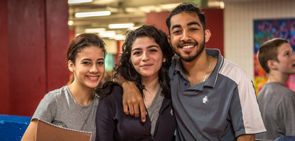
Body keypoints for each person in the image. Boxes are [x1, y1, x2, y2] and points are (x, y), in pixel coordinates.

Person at [119, 3, 266, 141]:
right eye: (177, 31)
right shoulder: (168, 69)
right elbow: (126, 68)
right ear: (170, 40)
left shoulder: (236, 77)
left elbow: (247, 137)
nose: (185, 37)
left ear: (206, 34)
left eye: (193, 29)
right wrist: (127, 85)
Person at [95, 25, 176, 141]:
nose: (145, 58)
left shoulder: (175, 92)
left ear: (164, 56)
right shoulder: (112, 95)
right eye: (137, 53)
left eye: (152, 50)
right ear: (130, 59)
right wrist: (127, 85)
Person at [21, 33, 106, 141]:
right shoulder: (54, 100)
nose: (94, 69)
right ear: (71, 65)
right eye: (86, 63)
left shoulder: (102, 106)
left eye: (100, 62)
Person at [255, 38, 295, 140]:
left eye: (292, 52)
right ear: (272, 64)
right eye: (287, 54)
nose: (294, 57)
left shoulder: (261, 95)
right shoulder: (287, 97)